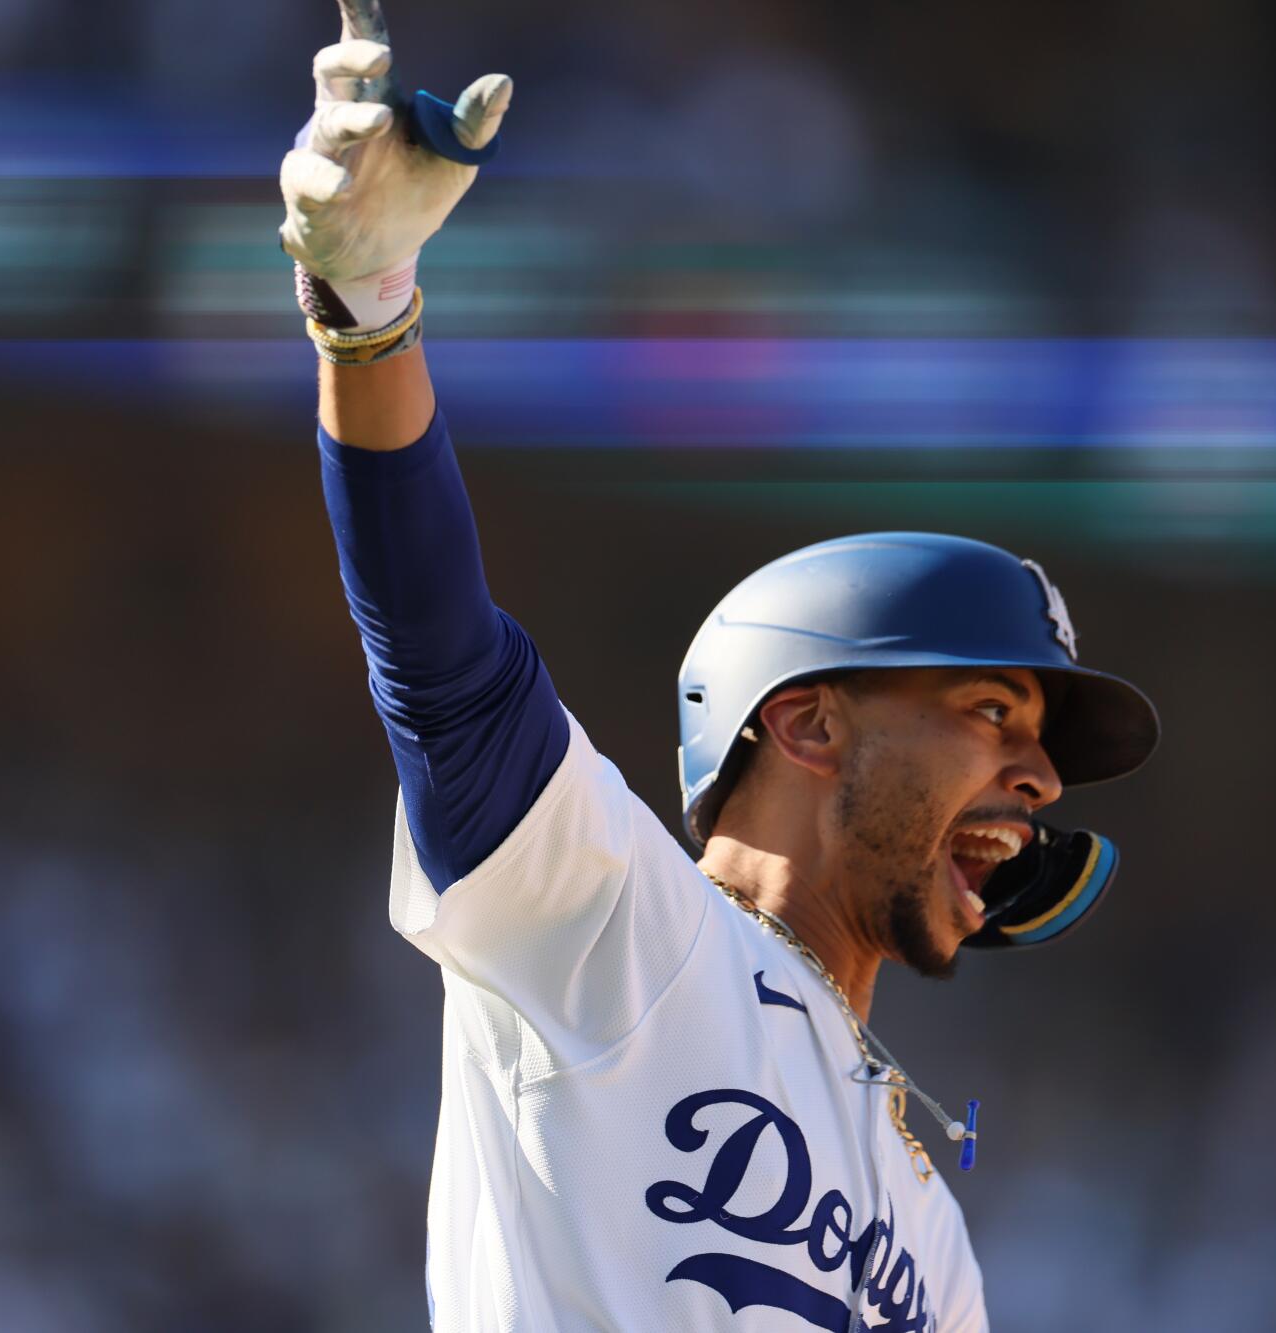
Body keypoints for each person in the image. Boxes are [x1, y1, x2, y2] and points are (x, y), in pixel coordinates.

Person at [282, 7, 1160, 1328]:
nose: (1038, 775)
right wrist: (369, 309)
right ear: (808, 726)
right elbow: (442, 665)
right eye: (991, 712)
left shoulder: (938, 1231)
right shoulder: (623, 931)